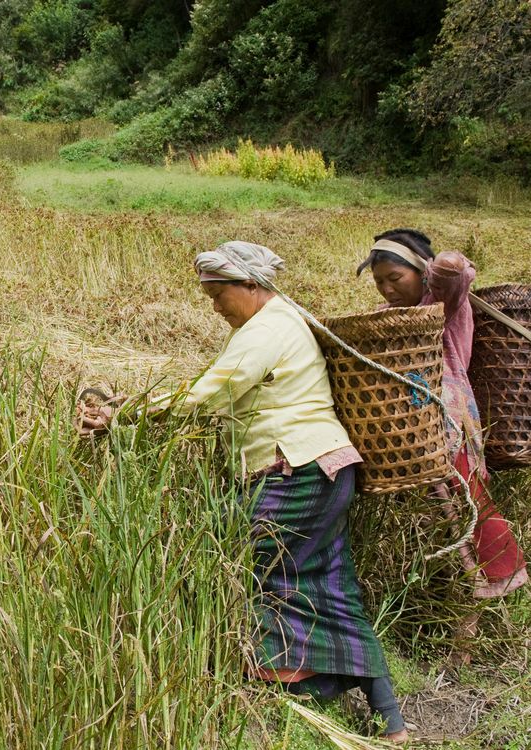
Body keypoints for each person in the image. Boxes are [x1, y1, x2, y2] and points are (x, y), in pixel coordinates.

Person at [78, 241, 408, 742]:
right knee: (329, 586)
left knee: (230, 562)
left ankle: (277, 683)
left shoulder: (269, 328)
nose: (214, 308)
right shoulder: (278, 323)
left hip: (295, 471)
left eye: (217, 295)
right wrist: (139, 406)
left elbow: (217, 388)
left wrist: (128, 413)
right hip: (326, 469)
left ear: (250, 285)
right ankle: (386, 719)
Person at [357, 228, 528, 657]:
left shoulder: (445, 308)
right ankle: (434, 620)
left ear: (421, 272)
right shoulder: (386, 314)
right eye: (379, 281)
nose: (387, 288)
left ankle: (465, 639)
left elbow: (457, 273)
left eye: (395, 277)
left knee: (466, 525)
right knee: (437, 532)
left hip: (449, 434)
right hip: (407, 442)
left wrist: (435, 270)